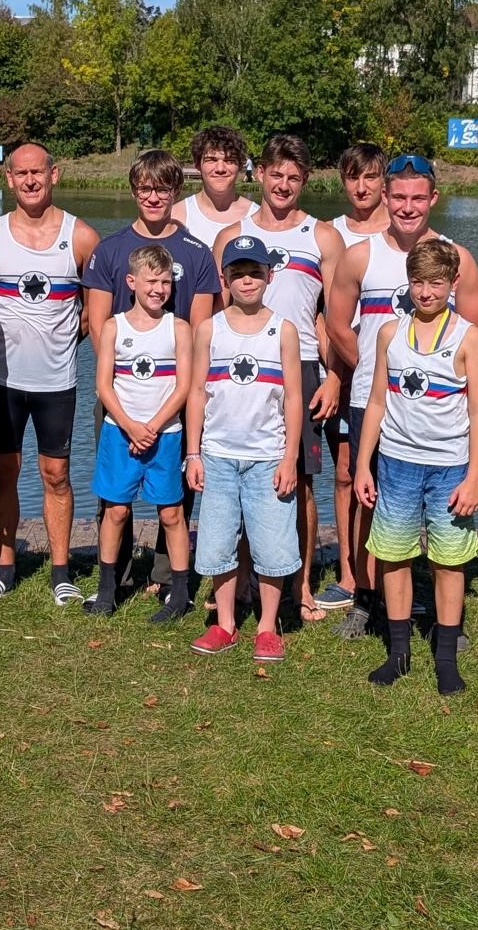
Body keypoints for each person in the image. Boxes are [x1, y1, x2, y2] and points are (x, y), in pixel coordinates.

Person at [325, 154, 478, 640]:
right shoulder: (361, 255)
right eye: (399, 197)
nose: (408, 207)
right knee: (363, 489)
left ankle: (433, 604)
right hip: (377, 395)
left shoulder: (458, 258)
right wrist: (373, 367)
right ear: (385, 197)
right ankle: (365, 596)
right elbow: (336, 322)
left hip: (440, 406)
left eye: (418, 198)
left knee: (439, 504)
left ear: (433, 198)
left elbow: (476, 334)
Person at [82, 149, 222, 606]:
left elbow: (201, 330)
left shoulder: (197, 254)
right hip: (122, 388)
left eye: (163, 188)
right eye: (145, 188)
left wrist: (173, 403)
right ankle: (115, 577)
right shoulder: (110, 249)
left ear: (175, 192)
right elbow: (99, 325)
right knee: (115, 497)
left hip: (174, 393)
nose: (154, 196)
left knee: (173, 497)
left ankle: (168, 578)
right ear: (134, 191)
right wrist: (124, 401)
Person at [213, 134, 343, 622]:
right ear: (260, 174)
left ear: (304, 181)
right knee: (245, 476)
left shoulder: (322, 236)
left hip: (304, 368)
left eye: (294, 177)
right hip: (241, 372)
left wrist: (333, 377)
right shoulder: (232, 236)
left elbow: (332, 316)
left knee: (301, 482)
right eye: (276, 174)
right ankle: (243, 580)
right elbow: (216, 313)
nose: (283, 184)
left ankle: (301, 583)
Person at [0, 144, 100, 605]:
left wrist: (64, 341)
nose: (29, 181)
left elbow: (95, 311)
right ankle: (5, 566)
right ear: (8, 178)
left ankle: (61, 570)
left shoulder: (81, 237)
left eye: (37, 173)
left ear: (54, 175)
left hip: (57, 382)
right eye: (20, 173)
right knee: (5, 470)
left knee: (56, 473)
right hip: (2, 382)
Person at [354, 239, 478, 691]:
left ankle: (446, 658)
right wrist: (362, 466)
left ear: (452, 284)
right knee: (394, 556)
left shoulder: (468, 337)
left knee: (448, 562)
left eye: (436, 283)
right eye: (417, 282)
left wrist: (474, 479)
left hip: (449, 468)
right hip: (397, 463)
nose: (426, 292)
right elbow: (375, 403)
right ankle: (399, 652)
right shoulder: (390, 333)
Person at [187, 236, 303, 661]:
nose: (247, 280)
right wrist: (194, 452)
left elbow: (292, 397)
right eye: (238, 273)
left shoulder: (283, 330)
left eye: (255, 272)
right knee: (217, 542)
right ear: (225, 279)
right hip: (217, 455)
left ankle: (268, 627)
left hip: (268, 456)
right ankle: (226, 624)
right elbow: (197, 393)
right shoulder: (209, 329)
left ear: (269, 277)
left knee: (272, 545)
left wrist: (290, 456)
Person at [88, 245, 194, 620]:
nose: (159, 288)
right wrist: (131, 426)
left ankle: (180, 594)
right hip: (121, 433)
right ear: (132, 282)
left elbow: (183, 387)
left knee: (171, 514)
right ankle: (106, 591)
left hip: (165, 434)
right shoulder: (113, 326)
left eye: (166, 282)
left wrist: (152, 426)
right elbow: (104, 385)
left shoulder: (178, 328)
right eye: (151, 281)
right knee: (115, 511)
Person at [318, 143, 390, 612]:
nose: (361, 188)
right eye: (352, 177)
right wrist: (340, 373)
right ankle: (349, 572)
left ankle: (387, 573)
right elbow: (327, 315)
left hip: (400, 381)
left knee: (392, 476)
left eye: (370, 177)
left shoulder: (407, 228)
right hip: (347, 372)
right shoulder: (332, 234)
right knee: (347, 473)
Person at [173, 125, 254, 246]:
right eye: (211, 160)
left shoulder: (257, 217)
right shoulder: (175, 216)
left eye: (229, 160)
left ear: (240, 165)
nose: (220, 169)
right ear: (197, 165)